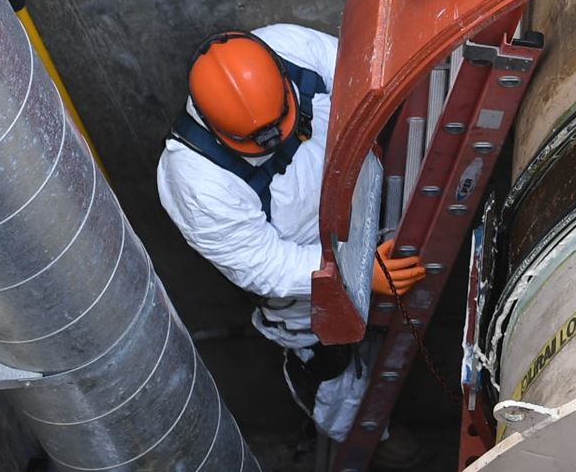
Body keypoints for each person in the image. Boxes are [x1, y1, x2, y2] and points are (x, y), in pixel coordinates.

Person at [155, 25, 422, 434]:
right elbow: (265, 265)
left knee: (384, 328)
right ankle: (364, 437)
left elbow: (365, 80)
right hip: (307, 291)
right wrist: (354, 274)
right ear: (217, 129)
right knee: (331, 365)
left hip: (370, 205)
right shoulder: (195, 181)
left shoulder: (292, 49)